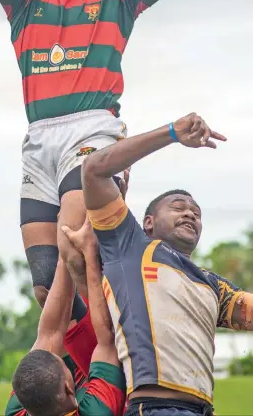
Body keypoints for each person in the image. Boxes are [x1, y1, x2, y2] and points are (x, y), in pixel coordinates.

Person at [0, 0, 186, 310]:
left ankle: (108, 370)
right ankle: (79, 373)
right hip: (38, 141)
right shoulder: (24, 6)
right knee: (43, 284)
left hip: (91, 132)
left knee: (75, 257)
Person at [62, 112, 253, 416]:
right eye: (178, 207)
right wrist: (172, 133)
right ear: (148, 222)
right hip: (154, 407)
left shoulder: (212, 285)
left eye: (197, 212)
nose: (190, 214)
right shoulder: (130, 247)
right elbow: (94, 169)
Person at [6, 247, 126, 416]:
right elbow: (107, 337)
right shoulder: (96, 411)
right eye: (65, 364)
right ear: (69, 387)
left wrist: (65, 259)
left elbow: (51, 332)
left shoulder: (18, 410)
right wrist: (81, 255)